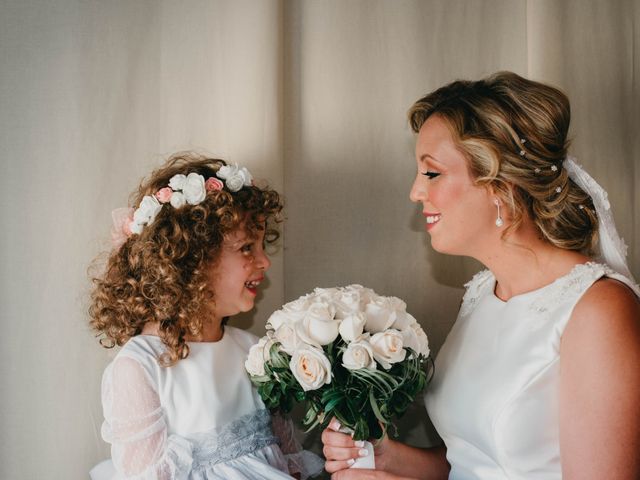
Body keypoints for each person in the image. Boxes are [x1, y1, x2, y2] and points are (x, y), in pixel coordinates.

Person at [321, 72, 640, 479]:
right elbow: (472, 461)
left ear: (499, 185)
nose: (415, 192)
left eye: (431, 173)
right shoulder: (481, 294)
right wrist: (389, 458)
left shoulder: (597, 310)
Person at [88, 153, 323, 479]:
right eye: (246, 248)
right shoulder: (141, 367)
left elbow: (288, 462)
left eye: (261, 246)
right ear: (192, 259)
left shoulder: (257, 354)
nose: (265, 262)